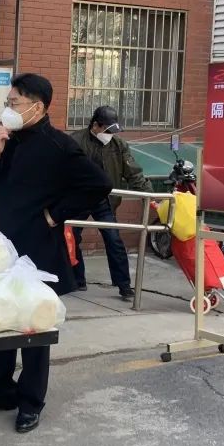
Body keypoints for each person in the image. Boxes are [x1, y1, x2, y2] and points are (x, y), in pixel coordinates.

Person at [0, 74, 111, 434]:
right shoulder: (10, 139)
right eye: (8, 102)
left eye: (14, 102)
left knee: (33, 326)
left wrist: (55, 214)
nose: (8, 108)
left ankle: (30, 402)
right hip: (2, 248)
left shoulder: (59, 146)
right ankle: (0, 390)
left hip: (38, 249)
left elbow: (99, 184)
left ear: (38, 107)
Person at [71, 106, 153, 300]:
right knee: (72, 237)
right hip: (78, 199)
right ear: (95, 126)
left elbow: (133, 172)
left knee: (114, 240)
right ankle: (77, 279)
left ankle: (124, 286)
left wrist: (150, 195)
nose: (110, 135)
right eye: (107, 130)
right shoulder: (75, 141)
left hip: (105, 200)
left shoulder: (118, 145)